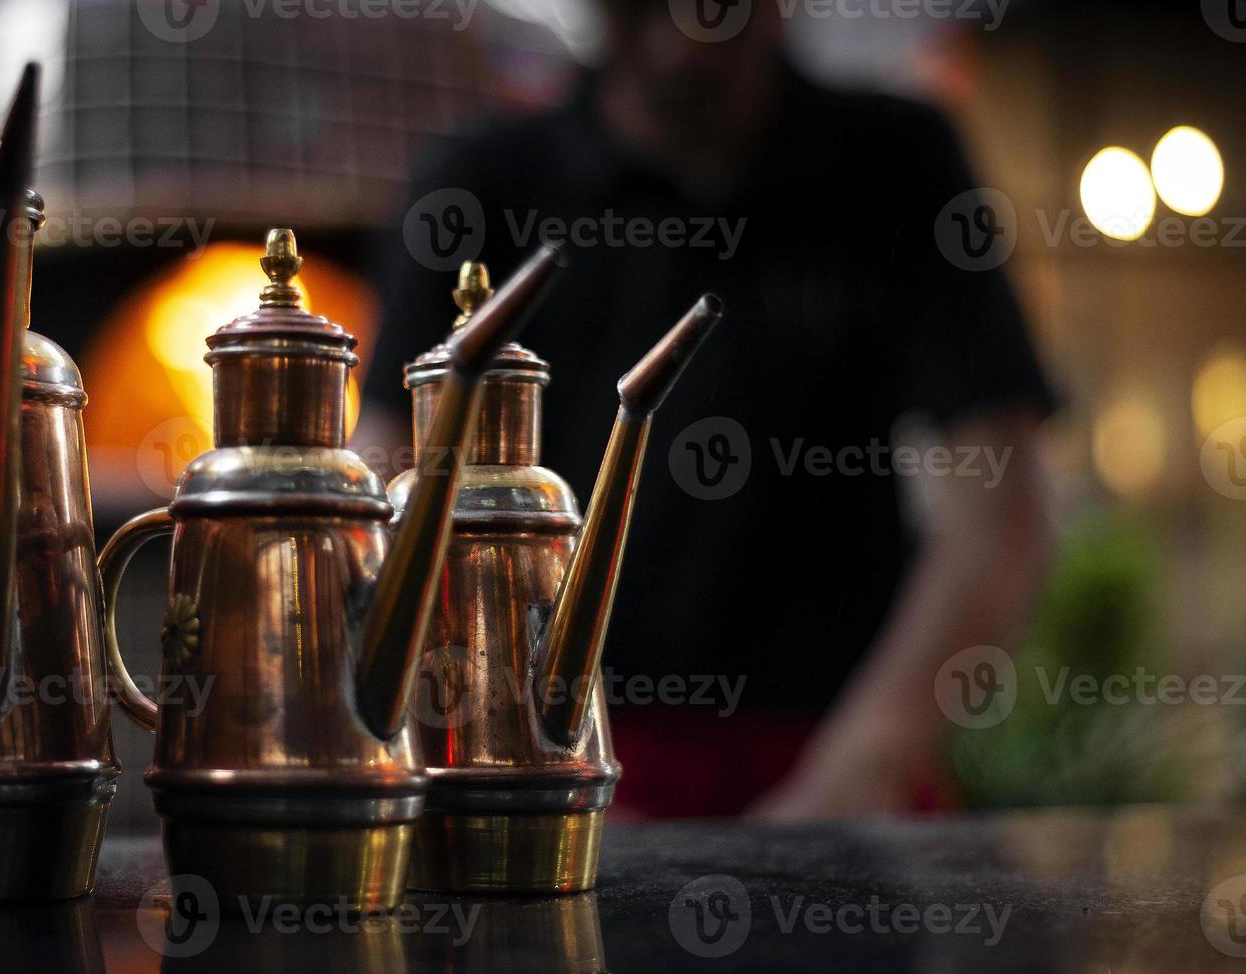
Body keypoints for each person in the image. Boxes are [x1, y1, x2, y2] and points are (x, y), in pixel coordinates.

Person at [358, 0, 1056, 819]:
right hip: (544, 773)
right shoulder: (479, 181)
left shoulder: (898, 164)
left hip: (837, 763)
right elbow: (387, 498)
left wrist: (863, 766)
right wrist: (488, 761)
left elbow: (1002, 512)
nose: (682, 43)